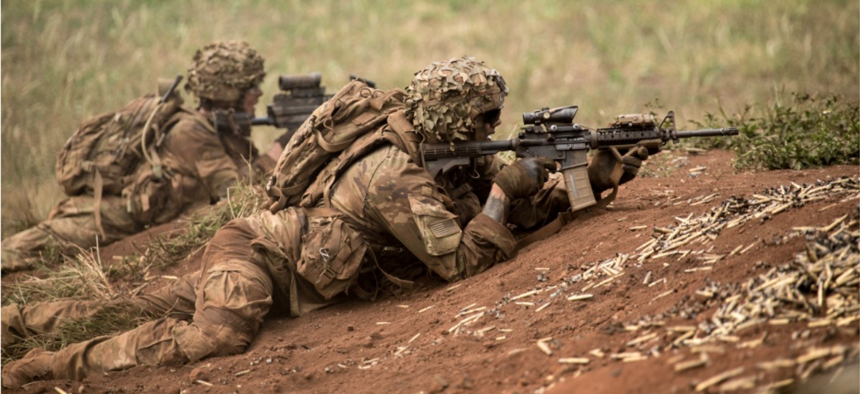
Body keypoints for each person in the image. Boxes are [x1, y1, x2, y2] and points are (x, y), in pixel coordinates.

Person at [1, 57, 652, 388]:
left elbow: (491, 216)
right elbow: (461, 261)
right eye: (486, 121)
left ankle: (12, 323)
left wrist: (591, 179)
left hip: (276, 263)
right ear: (457, 119)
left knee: (132, 304)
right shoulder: (390, 173)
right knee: (213, 340)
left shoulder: (424, 148)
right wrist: (504, 195)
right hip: (259, 258)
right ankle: (35, 369)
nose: (494, 133)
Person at [1, 41, 275, 272]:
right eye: (251, 87)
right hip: (108, 218)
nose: (259, 93)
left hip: (134, 219)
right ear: (227, 91)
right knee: (21, 252)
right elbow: (234, 191)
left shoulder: (221, 129)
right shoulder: (191, 131)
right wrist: (277, 152)